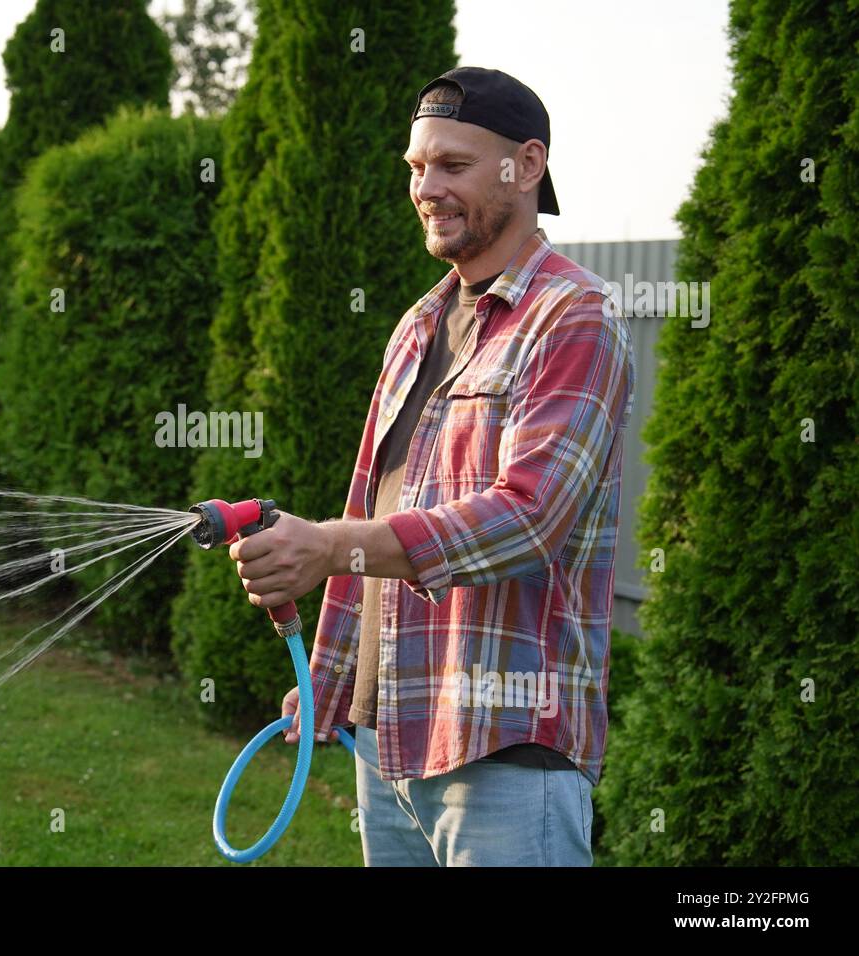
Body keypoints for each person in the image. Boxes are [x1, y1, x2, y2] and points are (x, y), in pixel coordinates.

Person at [228, 67, 636, 866]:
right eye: (417, 167)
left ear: (526, 164)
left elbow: (528, 517)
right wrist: (330, 678)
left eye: (452, 166)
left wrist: (328, 544)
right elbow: (372, 498)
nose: (427, 188)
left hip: (507, 753)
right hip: (391, 749)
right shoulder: (419, 323)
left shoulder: (573, 318)